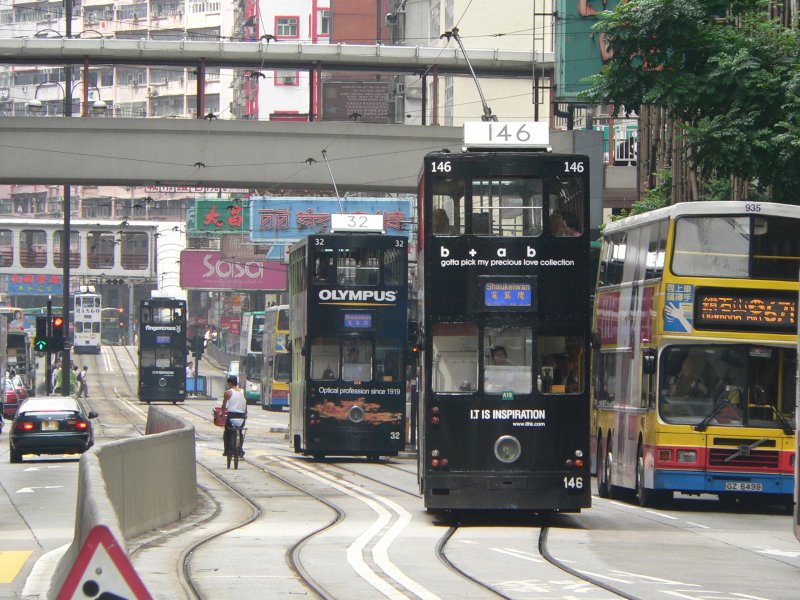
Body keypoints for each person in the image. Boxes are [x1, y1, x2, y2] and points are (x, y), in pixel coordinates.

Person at [220, 375, 247, 458]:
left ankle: (226, 450)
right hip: (241, 417)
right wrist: (245, 414)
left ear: (230, 383)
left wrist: (222, 414)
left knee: (227, 432)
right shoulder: (243, 391)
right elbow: (245, 404)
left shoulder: (227, 393)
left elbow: (224, 405)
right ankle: (240, 450)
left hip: (231, 416)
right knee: (240, 432)